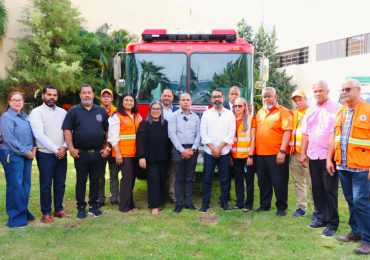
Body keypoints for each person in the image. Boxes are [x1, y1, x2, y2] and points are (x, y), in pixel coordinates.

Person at [327, 79, 370, 255]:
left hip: (362, 167)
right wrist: (329, 160)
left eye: (347, 89)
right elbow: (333, 138)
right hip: (343, 165)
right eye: (342, 89)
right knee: (352, 201)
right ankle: (356, 232)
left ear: (358, 90)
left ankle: (367, 240)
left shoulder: (368, 111)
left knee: (361, 202)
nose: (343, 92)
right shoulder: (341, 112)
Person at [62, 84, 110, 219]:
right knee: (81, 180)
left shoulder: (101, 111)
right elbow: (67, 130)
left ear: (93, 95)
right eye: (84, 93)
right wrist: (71, 149)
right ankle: (81, 207)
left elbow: (107, 131)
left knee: (96, 180)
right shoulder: (73, 111)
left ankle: (93, 206)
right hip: (80, 153)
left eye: (89, 92)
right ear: (80, 95)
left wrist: (107, 147)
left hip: (97, 153)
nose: (87, 95)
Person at [300, 80, 341, 237]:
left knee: (329, 190)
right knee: (317, 188)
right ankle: (322, 218)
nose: (317, 94)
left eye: (320, 91)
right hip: (313, 155)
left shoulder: (337, 109)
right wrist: (303, 153)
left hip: (328, 157)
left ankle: (332, 223)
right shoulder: (310, 110)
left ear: (328, 91)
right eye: (315, 91)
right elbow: (305, 133)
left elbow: (335, 134)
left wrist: (330, 158)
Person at [29, 85, 69, 224]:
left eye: (54, 95)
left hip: (62, 153)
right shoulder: (36, 112)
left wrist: (64, 147)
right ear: (43, 96)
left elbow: (68, 132)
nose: (52, 97)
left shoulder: (63, 112)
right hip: (45, 154)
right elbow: (39, 135)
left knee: (60, 183)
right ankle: (46, 212)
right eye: (49, 95)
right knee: (46, 184)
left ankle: (58, 209)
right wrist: (55, 150)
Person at [0, 91, 36, 228]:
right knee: (16, 186)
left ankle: (23, 212)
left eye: (19, 100)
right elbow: (10, 140)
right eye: (14, 100)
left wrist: (33, 148)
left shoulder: (24, 117)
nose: (17, 102)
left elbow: (30, 134)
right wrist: (26, 152)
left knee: (25, 185)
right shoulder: (6, 117)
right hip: (12, 154)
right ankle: (16, 219)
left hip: (27, 154)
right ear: (9, 102)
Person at [255, 87, 293, 216]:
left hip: (277, 154)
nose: (267, 99)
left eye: (269, 96)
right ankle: (265, 205)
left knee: (279, 182)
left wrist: (282, 151)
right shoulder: (259, 113)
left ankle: (281, 207)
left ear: (275, 96)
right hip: (260, 155)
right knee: (263, 182)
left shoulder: (284, 112)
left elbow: (288, 131)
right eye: (264, 96)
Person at [200, 89, 236, 212]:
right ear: (211, 99)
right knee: (207, 178)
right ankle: (205, 203)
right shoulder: (206, 114)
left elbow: (231, 133)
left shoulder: (230, 114)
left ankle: (224, 202)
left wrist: (219, 148)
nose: (217, 99)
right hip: (210, 152)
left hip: (224, 152)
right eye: (214, 97)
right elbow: (203, 133)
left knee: (225, 178)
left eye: (219, 97)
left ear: (223, 98)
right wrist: (212, 148)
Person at [108, 93, 141, 213]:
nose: (129, 102)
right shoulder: (116, 116)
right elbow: (112, 137)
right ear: (121, 102)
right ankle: (124, 207)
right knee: (127, 179)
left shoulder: (136, 115)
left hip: (135, 153)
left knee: (131, 179)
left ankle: (130, 204)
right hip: (123, 153)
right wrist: (117, 153)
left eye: (131, 100)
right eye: (126, 100)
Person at [136, 101, 171, 215]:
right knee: (153, 181)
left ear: (161, 111)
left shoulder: (165, 124)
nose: (156, 111)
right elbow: (140, 142)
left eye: (158, 109)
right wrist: (141, 157)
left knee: (162, 181)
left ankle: (160, 202)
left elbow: (169, 141)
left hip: (164, 158)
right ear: (150, 111)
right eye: (153, 109)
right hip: (150, 159)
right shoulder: (144, 124)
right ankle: (154, 205)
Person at [168, 93, 201, 213]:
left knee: (189, 177)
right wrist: (182, 150)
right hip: (178, 149)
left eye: (188, 100)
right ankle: (179, 203)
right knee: (179, 178)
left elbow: (199, 134)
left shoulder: (196, 117)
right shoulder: (173, 116)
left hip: (192, 150)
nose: (186, 102)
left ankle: (188, 202)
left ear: (191, 102)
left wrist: (192, 149)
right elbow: (172, 134)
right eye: (183, 100)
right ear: (179, 102)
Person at [289, 90, 316, 219]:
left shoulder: (312, 113)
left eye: (300, 99)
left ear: (306, 99)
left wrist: (305, 152)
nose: (298, 102)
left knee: (312, 183)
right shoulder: (294, 115)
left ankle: (317, 210)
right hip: (294, 153)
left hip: (307, 154)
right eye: (295, 100)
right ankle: (301, 208)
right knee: (298, 182)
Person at [231, 97, 256, 212]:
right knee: (238, 181)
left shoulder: (251, 120)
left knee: (249, 181)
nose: (237, 108)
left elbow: (253, 139)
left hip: (247, 157)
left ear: (245, 107)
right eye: (235, 106)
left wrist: (250, 156)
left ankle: (248, 204)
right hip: (235, 157)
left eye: (240, 106)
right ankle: (239, 202)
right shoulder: (231, 120)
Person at [97, 88, 120, 207]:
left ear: (112, 98)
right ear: (100, 98)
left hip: (114, 146)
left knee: (114, 174)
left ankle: (114, 196)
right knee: (100, 174)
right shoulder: (96, 110)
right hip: (100, 147)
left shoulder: (117, 111)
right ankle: (100, 198)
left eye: (108, 96)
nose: (106, 98)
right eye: (104, 96)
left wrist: (110, 147)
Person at [161, 89, 177, 203]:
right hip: (160, 144)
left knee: (173, 169)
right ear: (161, 97)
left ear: (172, 98)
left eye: (169, 96)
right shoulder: (156, 109)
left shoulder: (177, 110)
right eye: (165, 96)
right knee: (160, 169)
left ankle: (173, 193)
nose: (167, 98)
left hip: (173, 144)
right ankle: (160, 195)